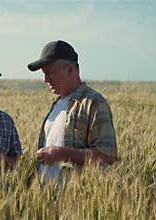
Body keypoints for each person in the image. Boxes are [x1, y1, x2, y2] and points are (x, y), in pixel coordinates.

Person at [27, 40, 118, 183]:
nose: (45, 79)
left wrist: (63, 154)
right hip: (47, 201)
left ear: (69, 69)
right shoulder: (57, 105)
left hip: (74, 199)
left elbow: (108, 156)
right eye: (43, 74)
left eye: (50, 73)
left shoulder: (93, 103)